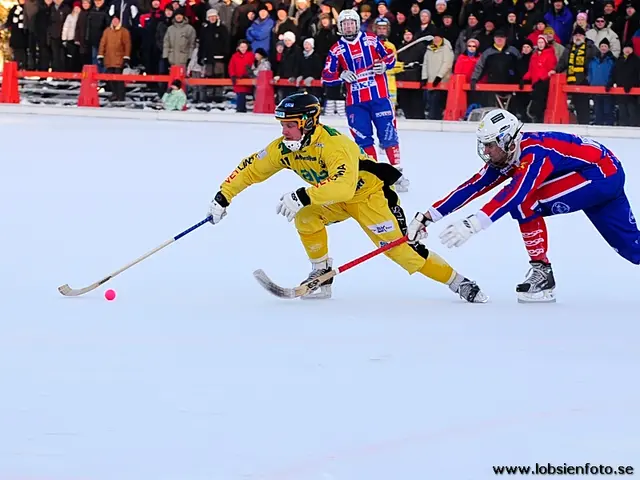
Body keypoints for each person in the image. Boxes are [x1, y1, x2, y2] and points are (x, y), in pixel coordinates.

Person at [207, 93, 487, 303]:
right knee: (306, 217)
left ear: (307, 122)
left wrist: (304, 194)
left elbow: (342, 185)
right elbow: (252, 168)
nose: (284, 131)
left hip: (370, 197)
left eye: (289, 124)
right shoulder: (284, 148)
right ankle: (322, 275)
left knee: (401, 252)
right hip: (334, 198)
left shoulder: (334, 144)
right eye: (282, 124)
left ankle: (460, 283)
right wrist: (223, 195)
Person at [406, 108, 640, 303]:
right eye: (483, 144)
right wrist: (427, 217)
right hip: (601, 173)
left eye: (490, 145)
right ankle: (542, 270)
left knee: (526, 202)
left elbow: (516, 193)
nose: (485, 151)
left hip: (600, 175)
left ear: (507, 140)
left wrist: (474, 223)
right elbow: (473, 186)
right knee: (633, 249)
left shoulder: (535, 153)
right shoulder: (506, 155)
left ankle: (542, 271)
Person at [321, 9, 410, 193]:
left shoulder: (371, 39)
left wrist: (384, 65)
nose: (348, 27)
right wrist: (341, 74)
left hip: (379, 98)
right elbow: (326, 75)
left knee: (388, 135)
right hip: (355, 103)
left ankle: (397, 172)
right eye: (344, 24)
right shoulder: (336, 49)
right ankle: (375, 175)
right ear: (340, 27)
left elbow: (390, 58)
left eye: (351, 23)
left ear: (357, 23)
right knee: (363, 140)